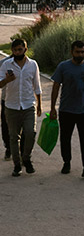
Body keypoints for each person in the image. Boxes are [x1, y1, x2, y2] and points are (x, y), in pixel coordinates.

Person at [50, 40, 84, 178]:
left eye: (82, 52)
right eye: (77, 52)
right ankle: (66, 162)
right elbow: (56, 86)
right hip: (66, 110)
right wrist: (52, 108)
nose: (80, 55)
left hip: (83, 111)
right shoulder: (63, 66)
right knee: (65, 138)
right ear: (72, 52)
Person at [0, 39, 41, 176]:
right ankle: (17, 165)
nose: (18, 52)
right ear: (12, 51)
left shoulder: (33, 64)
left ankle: (26, 158)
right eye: (15, 50)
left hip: (29, 105)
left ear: (25, 49)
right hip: (11, 106)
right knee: (13, 137)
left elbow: (37, 86)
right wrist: (7, 80)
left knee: (30, 132)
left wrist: (39, 105)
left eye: (20, 49)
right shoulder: (6, 64)